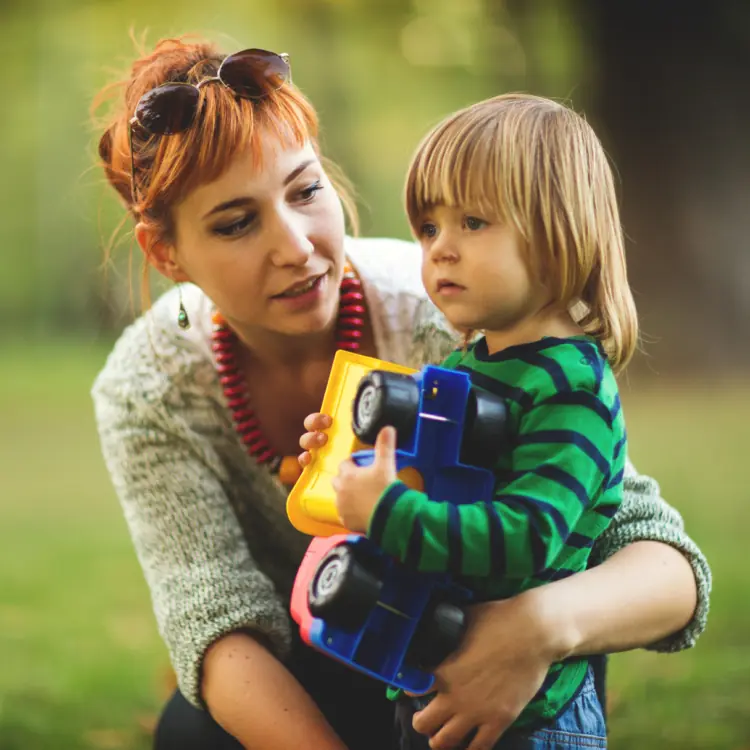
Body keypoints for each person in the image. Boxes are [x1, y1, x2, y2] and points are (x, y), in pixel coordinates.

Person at [90, 36, 710, 750]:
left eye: (305, 191)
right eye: (236, 223)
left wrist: (535, 630)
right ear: (166, 252)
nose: (296, 246)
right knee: (192, 734)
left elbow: (663, 564)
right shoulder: (148, 388)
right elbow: (214, 621)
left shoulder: (452, 316)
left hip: (480, 650)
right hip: (318, 659)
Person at [303, 93, 637, 748]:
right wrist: (350, 460)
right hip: (431, 675)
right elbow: (440, 485)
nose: (440, 250)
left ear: (559, 232)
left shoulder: (571, 390)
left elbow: (526, 537)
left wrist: (389, 510)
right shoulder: (467, 363)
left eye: (473, 222)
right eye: (429, 228)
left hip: (526, 718)